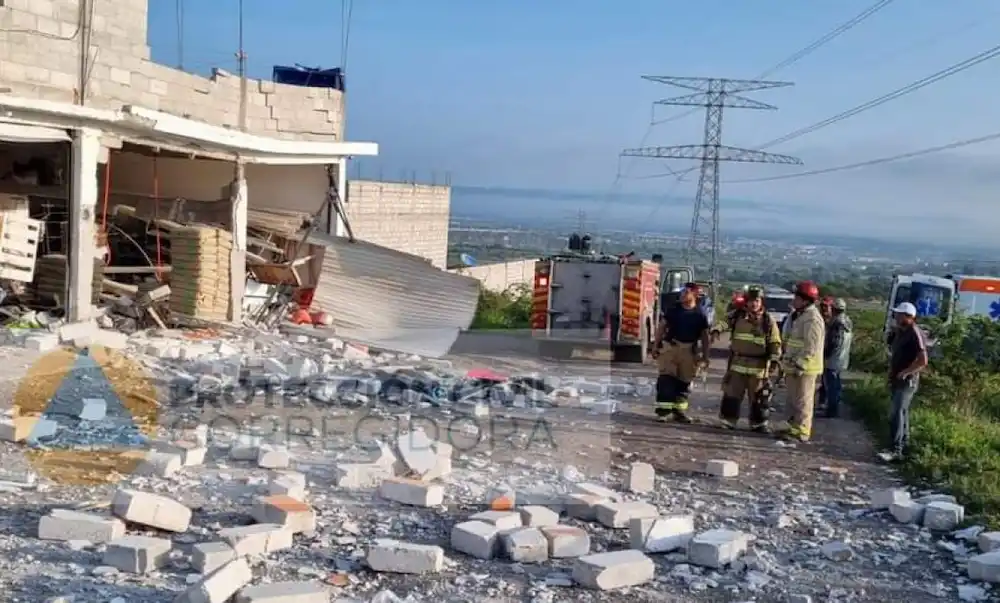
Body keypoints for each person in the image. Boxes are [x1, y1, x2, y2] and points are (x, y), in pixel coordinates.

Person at [719, 286, 782, 432]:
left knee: (759, 398)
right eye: (751, 301)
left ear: (761, 302)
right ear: (746, 302)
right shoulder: (737, 316)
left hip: (758, 367)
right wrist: (716, 330)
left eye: (757, 301)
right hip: (738, 364)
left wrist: (774, 359)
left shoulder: (768, 320)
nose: (754, 304)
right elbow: (723, 323)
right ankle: (729, 421)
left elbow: (774, 341)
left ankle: (758, 424)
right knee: (732, 395)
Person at [652, 282, 711, 424]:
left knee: (684, 382)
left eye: (687, 292)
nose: (683, 295)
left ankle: (679, 412)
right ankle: (663, 412)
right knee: (666, 379)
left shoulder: (700, 314)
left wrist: (706, 356)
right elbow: (661, 327)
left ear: (695, 295)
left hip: (689, 351)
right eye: (683, 292)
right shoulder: (674, 310)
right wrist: (655, 346)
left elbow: (705, 337)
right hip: (671, 348)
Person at [880, 302, 928, 462]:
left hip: (907, 381)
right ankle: (902, 447)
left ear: (909, 316)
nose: (897, 316)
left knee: (897, 413)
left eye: (900, 314)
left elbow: (923, 360)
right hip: (898, 379)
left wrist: (906, 372)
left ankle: (896, 450)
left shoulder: (914, 332)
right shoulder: (902, 331)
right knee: (902, 413)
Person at [779, 281, 826, 442]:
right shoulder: (800, 316)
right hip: (794, 366)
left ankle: (802, 431)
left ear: (806, 300)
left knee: (803, 401)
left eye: (797, 297)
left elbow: (812, 346)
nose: (794, 300)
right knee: (794, 400)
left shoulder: (812, 319)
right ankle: (793, 428)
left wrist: (801, 364)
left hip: (805, 369)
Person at [822, 298, 853, 419]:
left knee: (832, 387)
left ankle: (832, 410)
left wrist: (825, 355)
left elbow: (834, 343)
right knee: (837, 386)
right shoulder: (848, 322)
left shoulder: (837, 324)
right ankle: (834, 408)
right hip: (842, 359)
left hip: (833, 360)